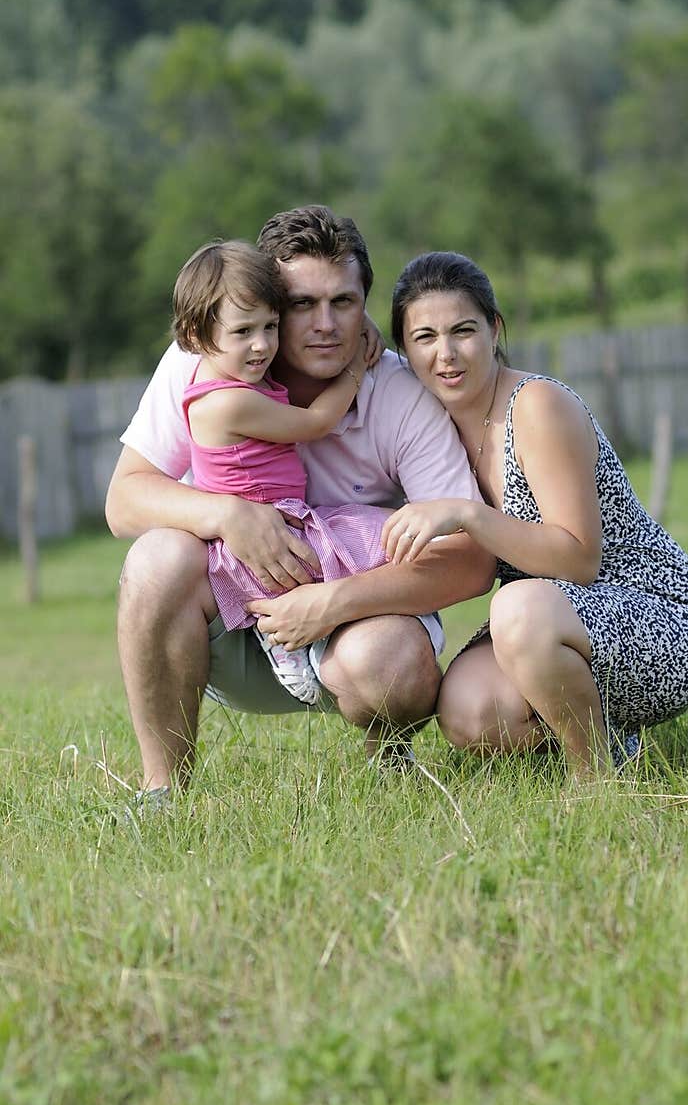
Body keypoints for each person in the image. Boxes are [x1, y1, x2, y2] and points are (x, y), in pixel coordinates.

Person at [105, 208, 495, 800]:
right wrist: (226, 514)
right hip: (231, 620)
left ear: (365, 303)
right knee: (156, 559)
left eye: (343, 302)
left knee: (387, 661)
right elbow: (123, 499)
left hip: (353, 631)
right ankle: (162, 792)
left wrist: (331, 602)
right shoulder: (206, 359)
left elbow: (470, 560)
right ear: (265, 303)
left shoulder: (398, 394)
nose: (325, 324)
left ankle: (386, 754)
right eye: (302, 304)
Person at [382, 251, 688, 778]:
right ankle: (605, 731)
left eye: (463, 330)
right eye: (424, 337)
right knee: (467, 711)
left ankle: (596, 777)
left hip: (655, 616)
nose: (446, 354)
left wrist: (468, 514)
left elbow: (579, 560)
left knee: (516, 608)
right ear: (403, 350)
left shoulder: (536, 405)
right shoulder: (430, 429)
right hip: (549, 621)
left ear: (495, 330)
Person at [173, 237, 390, 705]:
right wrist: (354, 365)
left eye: (271, 327)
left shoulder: (229, 375)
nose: (261, 346)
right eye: (243, 332)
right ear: (194, 338)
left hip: (274, 516)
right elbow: (316, 422)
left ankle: (309, 640)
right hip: (269, 527)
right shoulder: (228, 402)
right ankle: (288, 645)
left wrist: (355, 322)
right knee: (378, 543)